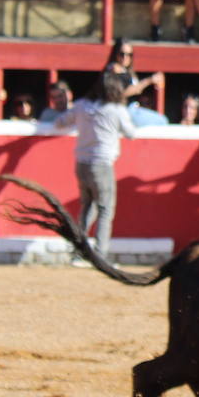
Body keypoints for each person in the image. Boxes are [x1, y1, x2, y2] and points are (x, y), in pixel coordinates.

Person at [53, 74, 138, 262]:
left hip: (81, 163)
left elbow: (59, 122)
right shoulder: (116, 110)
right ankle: (99, 256)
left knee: (87, 207)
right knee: (105, 209)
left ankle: (78, 253)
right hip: (102, 165)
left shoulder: (82, 105)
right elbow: (131, 133)